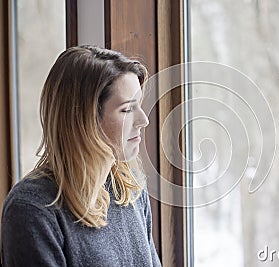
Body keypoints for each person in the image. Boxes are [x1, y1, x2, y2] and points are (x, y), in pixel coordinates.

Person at [1, 45, 162, 267]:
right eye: (127, 109)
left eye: (140, 106)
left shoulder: (130, 190)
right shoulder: (31, 208)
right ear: (83, 120)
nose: (144, 120)